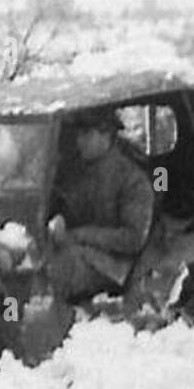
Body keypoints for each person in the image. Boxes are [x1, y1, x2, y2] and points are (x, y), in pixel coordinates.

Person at [46, 108, 154, 301]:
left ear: (106, 135)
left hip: (112, 267)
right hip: (75, 253)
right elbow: (57, 205)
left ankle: (33, 326)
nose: (79, 141)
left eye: (87, 134)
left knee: (56, 270)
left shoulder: (131, 179)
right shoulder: (75, 173)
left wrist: (80, 235)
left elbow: (133, 239)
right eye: (78, 134)